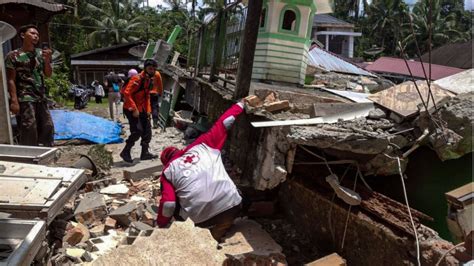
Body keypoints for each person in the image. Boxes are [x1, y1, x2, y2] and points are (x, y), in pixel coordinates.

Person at [157, 98, 250, 241]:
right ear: (179, 150)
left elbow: (168, 205)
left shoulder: (168, 172)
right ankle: (223, 228)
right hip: (231, 206)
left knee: (178, 203)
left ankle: (209, 236)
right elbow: (226, 122)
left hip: (202, 219)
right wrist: (241, 104)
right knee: (238, 194)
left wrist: (161, 226)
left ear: (166, 162)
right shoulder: (202, 144)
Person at [5, 24, 54, 146]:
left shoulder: (40, 54)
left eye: (37, 34)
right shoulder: (13, 56)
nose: (36, 36)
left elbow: (47, 74)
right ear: (22, 35)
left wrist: (47, 60)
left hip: (40, 96)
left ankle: (46, 149)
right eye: (32, 33)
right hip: (25, 97)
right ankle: (29, 152)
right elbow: (10, 79)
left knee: (48, 125)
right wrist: (14, 101)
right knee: (29, 126)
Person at [119, 59, 159, 163]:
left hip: (142, 108)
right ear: (145, 68)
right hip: (130, 108)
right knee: (137, 131)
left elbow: (147, 96)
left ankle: (144, 153)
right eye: (150, 68)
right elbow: (127, 93)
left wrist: (148, 110)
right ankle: (126, 151)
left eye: (154, 69)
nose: (152, 70)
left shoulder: (148, 80)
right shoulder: (137, 79)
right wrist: (134, 109)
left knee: (147, 131)